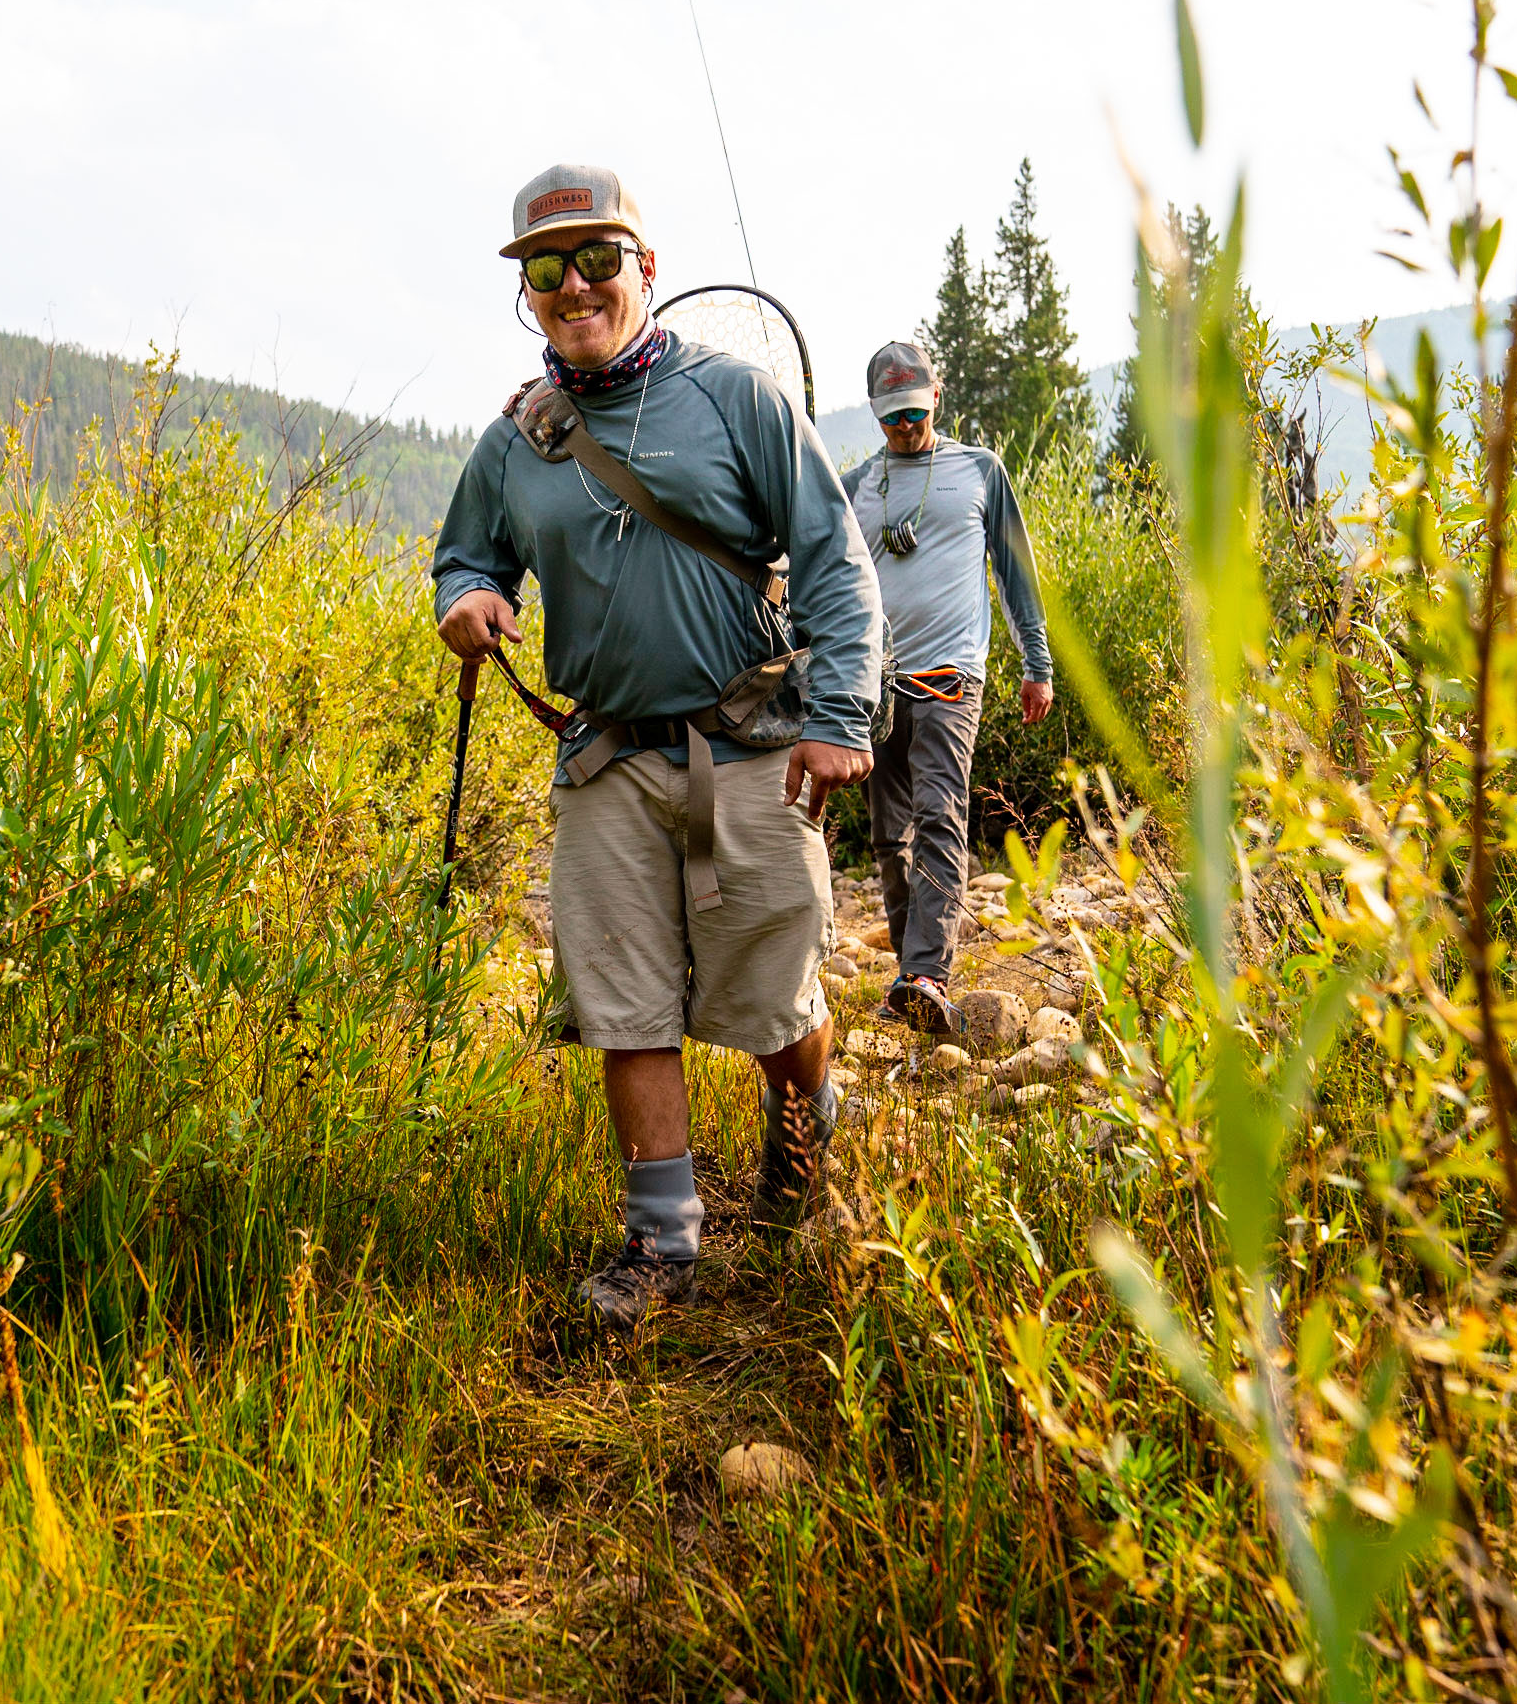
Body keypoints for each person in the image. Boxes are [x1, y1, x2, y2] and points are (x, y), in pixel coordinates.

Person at [432, 164, 882, 1329]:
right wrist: (468, 596)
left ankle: (805, 1139)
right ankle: (662, 1243)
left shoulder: (734, 397)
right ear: (527, 291)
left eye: (596, 259)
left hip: (751, 744)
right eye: (547, 268)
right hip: (603, 762)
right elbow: (467, 553)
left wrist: (839, 719)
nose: (573, 285)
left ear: (644, 267)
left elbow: (834, 558)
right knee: (623, 1005)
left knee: (775, 996)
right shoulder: (517, 438)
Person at [840, 340, 1055, 1036]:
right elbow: (825, 579)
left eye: (914, 411)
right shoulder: (853, 487)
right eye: (891, 417)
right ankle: (911, 976)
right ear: (874, 412)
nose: (905, 427)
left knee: (938, 813)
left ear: (936, 396)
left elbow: (1015, 573)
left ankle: (927, 971)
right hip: (876, 685)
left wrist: (1037, 664)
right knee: (888, 835)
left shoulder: (979, 470)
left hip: (950, 677)